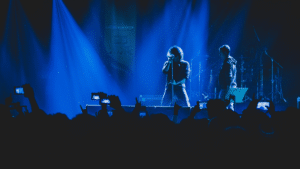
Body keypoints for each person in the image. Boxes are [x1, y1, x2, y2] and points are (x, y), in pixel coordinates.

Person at [218, 44, 237, 111]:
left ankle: (224, 121)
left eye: (221, 53)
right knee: (230, 106)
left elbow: (229, 76)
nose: (220, 55)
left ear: (225, 53)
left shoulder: (227, 63)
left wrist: (227, 90)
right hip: (233, 87)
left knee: (222, 106)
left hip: (227, 88)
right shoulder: (232, 62)